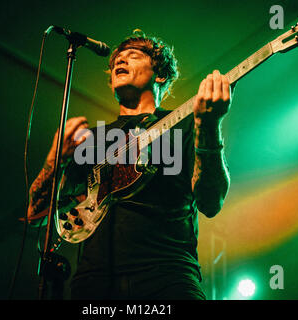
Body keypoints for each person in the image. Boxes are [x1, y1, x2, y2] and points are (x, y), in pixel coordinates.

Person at [28, 31, 231, 300]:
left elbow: (210, 201)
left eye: (133, 55)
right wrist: (56, 159)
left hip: (168, 278)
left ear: (160, 75)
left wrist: (209, 125)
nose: (120, 60)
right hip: (92, 284)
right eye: (116, 62)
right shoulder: (91, 139)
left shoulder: (185, 124)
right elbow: (34, 214)